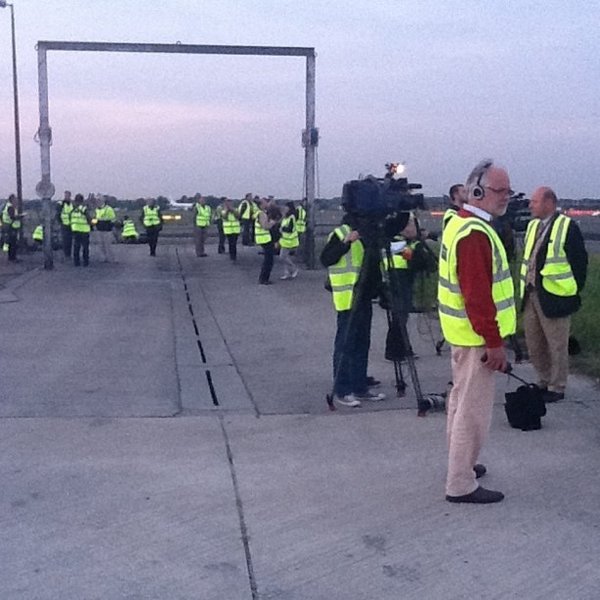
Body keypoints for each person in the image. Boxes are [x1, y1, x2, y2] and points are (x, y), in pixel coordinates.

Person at [438, 159, 517, 504]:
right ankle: (460, 482)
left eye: (508, 191)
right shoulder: (474, 234)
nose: (506, 198)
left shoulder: (460, 223)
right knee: (472, 411)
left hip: (463, 335)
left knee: (459, 403)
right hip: (476, 339)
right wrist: (494, 343)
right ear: (478, 191)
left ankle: (462, 464)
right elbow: (478, 297)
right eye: (501, 191)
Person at [520, 186, 588, 403]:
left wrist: (572, 290)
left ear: (549, 203)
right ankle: (543, 379)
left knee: (556, 343)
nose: (531, 205)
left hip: (555, 296)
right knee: (534, 340)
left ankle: (557, 386)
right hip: (532, 293)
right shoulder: (533, 226)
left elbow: (579, 262)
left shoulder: (567, 227)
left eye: (535, 201)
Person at [320, 213, 386, 408]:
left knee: (362, 343)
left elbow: (373, 265)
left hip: (364, 297)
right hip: (348, 298)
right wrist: (346, 242)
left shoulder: (368, 237)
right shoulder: (341, 233)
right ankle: (342, 389)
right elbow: (326, 258)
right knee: (345, 345)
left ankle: (359, 386)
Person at [255, 197, 279, 285]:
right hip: (265, 239)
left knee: (268, 259)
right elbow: (265, 226)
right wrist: (272, 223)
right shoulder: (261, 214)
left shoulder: (261, 213)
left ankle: (264, 278)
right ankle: (264, 279)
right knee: (268, 260)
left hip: (263, 238)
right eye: (265, 202)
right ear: (261, 205)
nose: (267, 203)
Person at [279, 201, 299, 280]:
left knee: (282, 257)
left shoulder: (292, 217)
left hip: (290, 240)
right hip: (284, 240)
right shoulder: (285, 217)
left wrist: (282, 229)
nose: (285, 209)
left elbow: (290, 229)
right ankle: (286, 272)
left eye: (286, 207)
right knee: (284, 257)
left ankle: (294, 268)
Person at [94, 194, 117, 263]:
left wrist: (113, 228)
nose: (98, 202)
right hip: (99, 229)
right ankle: (104, 258)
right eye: (97, 200)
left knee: (108, 246)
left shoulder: (109, 209)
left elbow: (113, 219)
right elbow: (96, 218)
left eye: (99, 200)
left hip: (107, 230)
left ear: (103, 201)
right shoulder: (97, 209)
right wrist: (93, 223)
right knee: (101, 245)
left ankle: (112, 259)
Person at [70, 193, 92, 267]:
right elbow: (89, 219)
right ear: (82, 201)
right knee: (85, 247)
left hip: (75, 230)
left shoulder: (72, 209)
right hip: (84, 230)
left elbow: (70, 219)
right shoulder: (84, 209)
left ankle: (76, 262)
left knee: (76, 247)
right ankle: (85, 262)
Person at [1, 194, 22, 262]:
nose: (16, 200)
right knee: (13, 243)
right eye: (15, 199)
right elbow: (12, 217)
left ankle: (11, 257)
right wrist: (20, 216)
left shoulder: (8, 206)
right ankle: (12, 258)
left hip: (9, 226)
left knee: (11, 242)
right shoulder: (10, 207)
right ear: (12, 200)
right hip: (11, 226)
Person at [56, 190, 74, 258]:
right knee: (65, 240)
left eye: (68, 195)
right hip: (64, 224)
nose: (67, 196)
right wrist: (60, 222)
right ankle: (66, 254)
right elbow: (58, 214)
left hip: (71, 224)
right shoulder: (61, 204)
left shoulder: (72, 204)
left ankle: (69, 254)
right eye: (66, 195)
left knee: (70, 240)